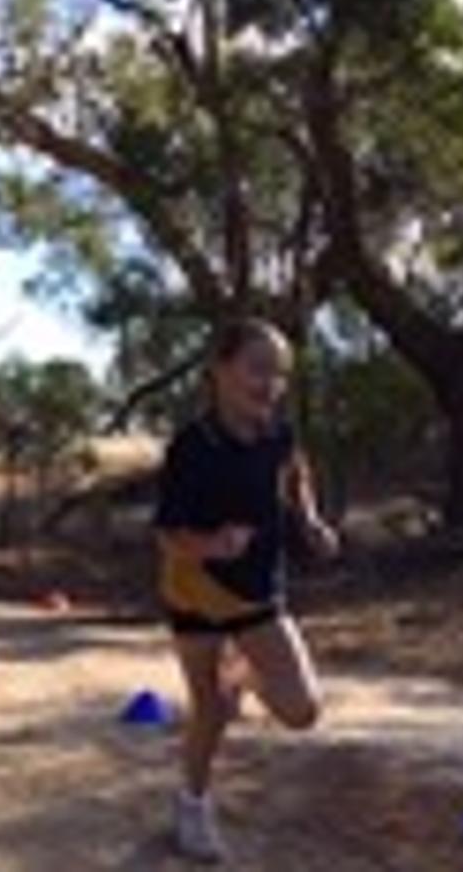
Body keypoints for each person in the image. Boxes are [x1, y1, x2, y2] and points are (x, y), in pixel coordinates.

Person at [154, 317, 340, 863]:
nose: (269, 384)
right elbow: (167, 534)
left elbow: (296, 470)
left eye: (279, 374)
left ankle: (248, 671)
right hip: (193, 586)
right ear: (220, 370)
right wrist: (212, 545)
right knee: (210, 710)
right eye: (257, 369)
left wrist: (309, 519)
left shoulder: (278, 434)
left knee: (303, 710)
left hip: (257, 591)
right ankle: (192, 807)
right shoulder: (192, 446)